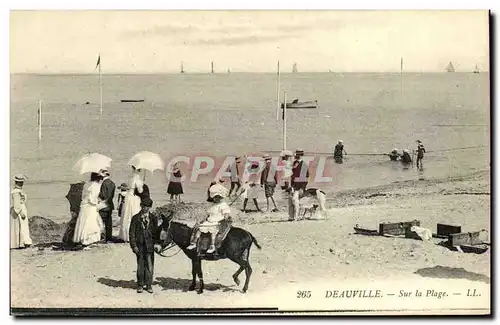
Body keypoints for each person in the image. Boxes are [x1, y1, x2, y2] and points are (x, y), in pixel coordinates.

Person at [187, 184, 231, 254]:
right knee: (199, 228)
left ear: (221, 197)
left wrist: (225, 216)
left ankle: (212, 245)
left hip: (218, 221)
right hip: (210, 220)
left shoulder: (223, 205)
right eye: (215, 197)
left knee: (213, 230)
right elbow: (209, 214)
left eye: (218, 197)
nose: (216, 199)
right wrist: (203, 219)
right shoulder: (212, 205)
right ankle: (194, 243)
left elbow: (226, 214)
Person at [129, 198, 159, 294]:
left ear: (150, 207)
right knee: (140, 266)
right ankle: (140, 285)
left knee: (150, 266)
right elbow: (131, 233)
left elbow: (156, 233)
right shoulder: (135, 218)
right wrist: (134, 246)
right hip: (140, 246)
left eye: (147, 207)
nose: (145, 208)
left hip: (150, 246)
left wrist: (157, 244)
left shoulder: (153, 218)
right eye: (143, 206)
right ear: (141, 206)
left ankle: (149, 285)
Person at [73, 172, 104, 247]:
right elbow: (92, 199)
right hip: (91, 206)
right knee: (91, 222)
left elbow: (83, 196)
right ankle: (88, 239)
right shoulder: (96, 186)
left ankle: (81, 238)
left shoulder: (86, 184)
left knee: (83, 222)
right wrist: (98, 202)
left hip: (84, 205)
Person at [119, 165, 144, 242]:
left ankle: (125, 235)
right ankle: (133, 235)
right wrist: (142, 185)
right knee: (134, 215)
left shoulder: (130, 177)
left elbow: (129, 188)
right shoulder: (138, 179)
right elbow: (140, 191)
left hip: (128, 197)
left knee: (127, 215)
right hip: (134, 198)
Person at [11, 174, 32, 249]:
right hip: (20, 210)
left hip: (22, 208)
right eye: (19, 182)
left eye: (21, 182)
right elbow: (16, 204)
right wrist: (20, 212)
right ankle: (23, 242)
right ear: (16, 182)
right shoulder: (16, 192)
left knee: (24, 225)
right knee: (22, 226)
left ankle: (24, 241)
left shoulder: (18, 191)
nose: (21, 184)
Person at [98, 169, 116, 243]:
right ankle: (109, 237)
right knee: (109, 222)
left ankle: (102, 237)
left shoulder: (104, 184)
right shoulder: (112, 183)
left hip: (104, 205)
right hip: (110, 204)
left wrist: (98, 195)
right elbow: (112, 195)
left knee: (101, 221)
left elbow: (104, 195)